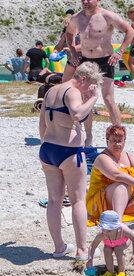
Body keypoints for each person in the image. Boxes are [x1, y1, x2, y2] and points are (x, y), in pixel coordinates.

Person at [39, 62, 102, 262]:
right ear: (82, 78)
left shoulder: (50, 91)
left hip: (48, 150)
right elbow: (77, 113)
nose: (88, 90)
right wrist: (93, 97)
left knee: (54, 200)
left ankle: (59, 248)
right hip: (69, 151)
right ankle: (82, 250)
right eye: (90, 85)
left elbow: (42, 123)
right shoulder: (73, 91)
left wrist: (47, 143)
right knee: (77, 200)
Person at [65, 0, 134, 146]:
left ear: (97, 0)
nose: (85, 2)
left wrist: (120, 51)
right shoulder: (76, 18)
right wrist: (74, 53)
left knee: (108, 99)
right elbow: (69, 34)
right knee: (86, 98)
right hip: (86, 61)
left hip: (105, 59)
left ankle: (119, 134)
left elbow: (129, 31)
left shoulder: (106, 16)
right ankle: (88, 137)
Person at [86, 210, 134, 276]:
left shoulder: (123, 230)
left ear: (116, 227)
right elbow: (92, 247)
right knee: (106, 250)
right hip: (109, 244)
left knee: (118, 249)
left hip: (123, 242)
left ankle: (121, 271)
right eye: (104, 228)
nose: (105, 232)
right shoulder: (102, 234)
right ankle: (110, 271)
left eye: (109, 230)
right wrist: (90, 260)